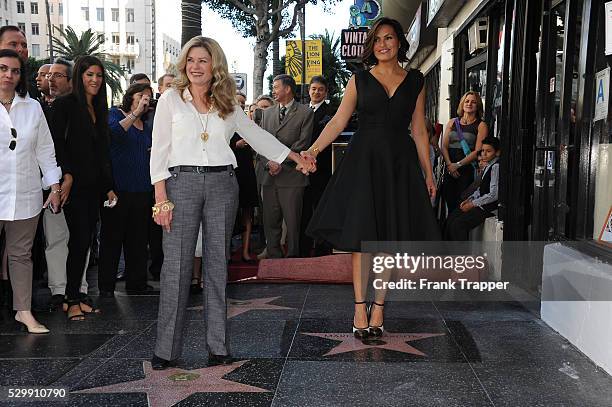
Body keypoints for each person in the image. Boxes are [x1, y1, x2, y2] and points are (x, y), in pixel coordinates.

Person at [149, 36, 313, 370]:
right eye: (191, 60)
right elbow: (159, 149)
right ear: (184, 63)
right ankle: (165, 349)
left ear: (215, 66)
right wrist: (161, 197)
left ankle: (218, 346)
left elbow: (257, 136)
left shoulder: (227, 103)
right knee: (176, 267)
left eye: (203, 61)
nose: (196, 66)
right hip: (181, 183)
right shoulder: (170, 99)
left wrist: (294, 157)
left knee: (216, 265)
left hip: (223, 184)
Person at [305, 17, 439, 339]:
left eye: (389, 38)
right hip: (364, 161)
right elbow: (338, 120)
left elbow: (419, 130)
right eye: (377, 39)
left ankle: (378, 307)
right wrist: (313, 151)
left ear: (399, 43)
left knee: (388, 240)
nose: (383, 44)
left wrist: (429, 172)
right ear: (371, 46)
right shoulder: (359, 80)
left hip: (399, 163)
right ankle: (358, 306)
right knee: (362, 240)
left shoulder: (416, 81)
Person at [0, 49, 62, 333]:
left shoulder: (33, 107)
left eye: (14, 70)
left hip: (25, 192)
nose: (8, 75)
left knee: (21, 255)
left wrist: (55, 185)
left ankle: (23, 311)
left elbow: (45, 150)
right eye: (2, 69)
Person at [50, 56, 115, 321]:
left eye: (99, 75)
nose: (95, 80)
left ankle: (73, 295)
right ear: (79, 76)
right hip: (72, 186)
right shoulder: (65, 104)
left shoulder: (99, 107)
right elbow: (56, 144)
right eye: (90, 74)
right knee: (77, 242)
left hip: (93, 187)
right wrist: (66, 176)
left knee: (84, 242)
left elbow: (101, 153)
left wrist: (108, 187)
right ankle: (71, 298)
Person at [41, 58, 90, 312]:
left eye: (58, 75)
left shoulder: (80, 107)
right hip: (50, 184)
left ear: (71, 81)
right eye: (49, 75)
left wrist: (67, 176)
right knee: (56, 238)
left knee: (80, 239)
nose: (52, 79)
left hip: (74, 183)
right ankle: (59, 290)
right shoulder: (36, 106)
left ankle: (78, 290)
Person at [98, 83, 154, 297]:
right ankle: (106, 286)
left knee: (138, 239)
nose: (145, 100)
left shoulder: (147, 125)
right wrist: (135, 113)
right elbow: (112, 135)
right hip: (116, 191)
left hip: (141, 190)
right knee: (112, 238)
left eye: (148, 97)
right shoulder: (114, 114)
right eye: (141, 95)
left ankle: (137, 282)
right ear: (130, 96)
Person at [256, 74, 314, 258]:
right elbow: (261, 142)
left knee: (293, 222)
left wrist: (279, 161)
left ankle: (293, 259)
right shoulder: (267, 113)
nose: (273, 91)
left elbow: (303, 143)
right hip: (269, 176)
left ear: (287, 89)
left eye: (276, 86)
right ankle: (273, 257)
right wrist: (269, 163)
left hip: (292, 177)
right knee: (270, 221)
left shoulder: (305, 112)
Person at [300, 76, 335, 257]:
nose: (316, 92)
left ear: (325, 92)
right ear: (309, 91)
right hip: (300, 170)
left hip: (323, 170)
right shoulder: (301, 111)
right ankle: (303, 249)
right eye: (314, 89)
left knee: (322, 209)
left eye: (320, 89)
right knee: (304, 210)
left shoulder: (332, 113)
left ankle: (322, 249)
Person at [440, 91, 488, 213]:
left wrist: (458, 165)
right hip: (450, 168)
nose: (469, 104)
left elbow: (478, 150)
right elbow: (444, 146)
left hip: (466, 169)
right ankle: (449, 230)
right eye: (467, 101)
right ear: (462, 104)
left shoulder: (481, 125)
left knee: (461, 203)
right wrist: (450, 165)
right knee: (449, 201)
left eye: (473, 102)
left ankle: (457, 230)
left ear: (478, 106)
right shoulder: (452, 122)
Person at [445, 136, 500, 241]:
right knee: (452, 218)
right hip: (479, 203)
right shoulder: (488, 165)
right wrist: (470, 199)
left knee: (458, 224)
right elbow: (481, 189)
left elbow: (493, 194)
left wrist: (472, 204)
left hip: (488, 208)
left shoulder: (496, 167)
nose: (484, 154)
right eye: (483, 150)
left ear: (497, 152)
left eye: (488, 151)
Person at [230, 92, 259, 262]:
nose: (240, 105)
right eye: (237, 102)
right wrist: (235, 144)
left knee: (248, 213)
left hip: (247, 172)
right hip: (231, 172)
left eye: (243, 103)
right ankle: (228, 251)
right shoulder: (223, 121)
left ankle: (246, 251)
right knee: (229, 215)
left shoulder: (249, 123)